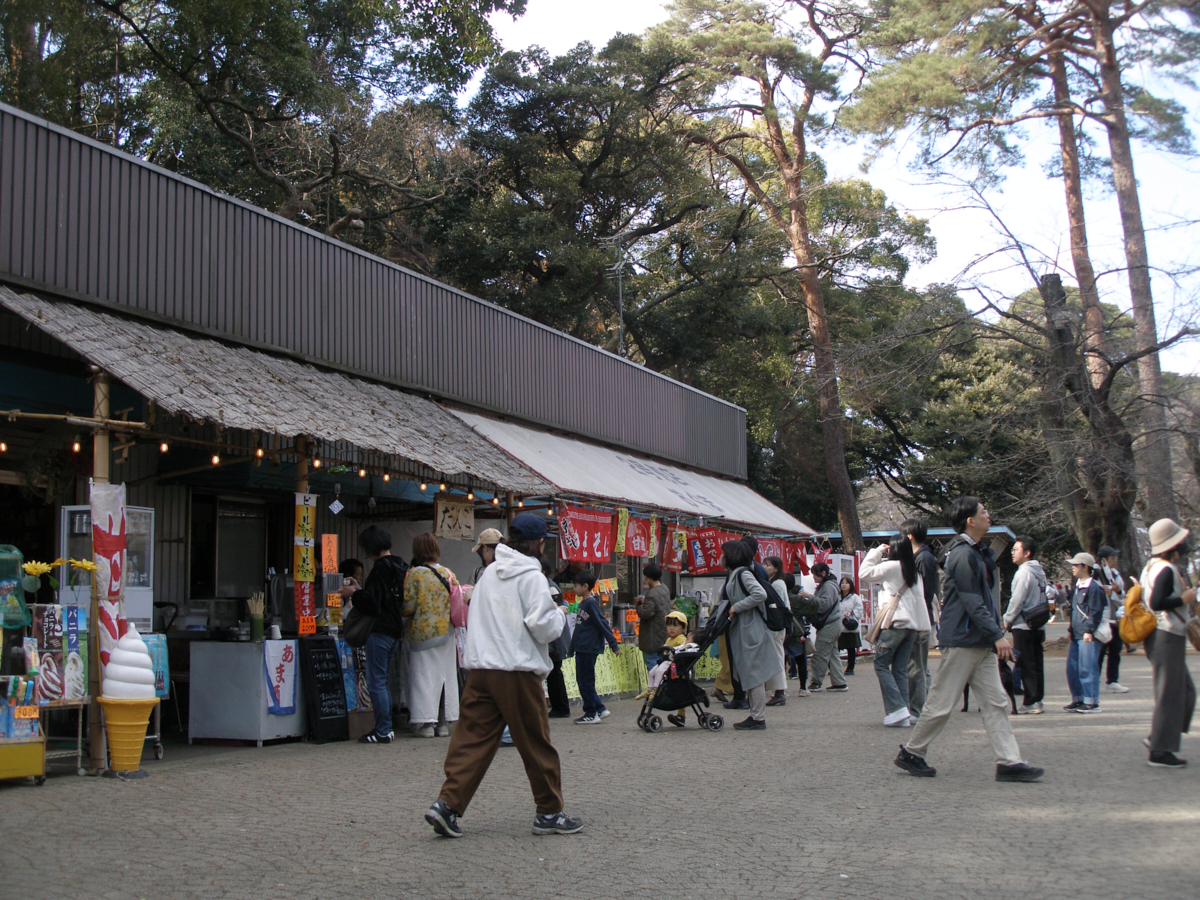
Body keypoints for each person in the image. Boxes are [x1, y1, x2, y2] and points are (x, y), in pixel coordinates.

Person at [424, 513, 582, 838]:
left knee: (471, 740)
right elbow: (542, 626)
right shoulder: (532, 578)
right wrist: (558, 615)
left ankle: (447, 805)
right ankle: (549, 812)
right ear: (539, 543)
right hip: (516, 671)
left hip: (481, 669)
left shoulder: (489, 574)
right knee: (535, 742)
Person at [894, 497, 1043, 782]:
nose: (988, 515)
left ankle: (1009, 762)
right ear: (970, 521)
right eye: (983, 511)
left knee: (997, 701)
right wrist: (998, 635)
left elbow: (978, 601)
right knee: (942, 700)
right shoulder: (963, 554)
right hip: (964, 639)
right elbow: (973, 601)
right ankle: (912, 752)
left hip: (976, 640)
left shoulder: (971, 552)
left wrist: (993, 635)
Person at [339, 526, 408, 744]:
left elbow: (373, 603)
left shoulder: (381, 568)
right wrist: (361, 589)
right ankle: (386, 728)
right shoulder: (399, 566)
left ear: (371, 548)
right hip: (395, 629)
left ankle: (383, 730)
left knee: (376, 681)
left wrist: (354, 593)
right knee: (382, 681)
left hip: (380, 630)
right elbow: (387, 599)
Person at [1140, 518, 1197, 768]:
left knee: (1184, 692)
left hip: (1160, 635)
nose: (1185, 544)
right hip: (1167, 635)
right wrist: (1184, 598)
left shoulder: (1151, 566)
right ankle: (1160, 749)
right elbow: (1157, 602)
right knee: (1170, 694)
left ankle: (1160, 735)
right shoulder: (1166, 568)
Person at [860, 536, 931, 727]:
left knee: (881, 665)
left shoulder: (891, 566)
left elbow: (864, 573)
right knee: (900, 669)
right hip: (913, 627)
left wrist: (876, 551)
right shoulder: (915, 572)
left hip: (895, 624)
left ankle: (896, 709)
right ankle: (904, 712)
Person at [402, 533, 460, 738]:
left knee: (424, 677)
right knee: (445, 677)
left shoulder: (414, 574)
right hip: (447, 632)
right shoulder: (447, 573)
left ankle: (426, 723)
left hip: (423, 633)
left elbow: (408, 606)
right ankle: (443, 724)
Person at [722, 539, 783, 730]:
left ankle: (758, 717)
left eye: (724, 553)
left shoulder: (741, 573)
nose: (721, 557)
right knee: (750, 674)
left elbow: (760, 594)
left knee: (753, 674)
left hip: (751, 630)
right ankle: (756, 715)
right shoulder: (738, 573)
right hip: (746, 629)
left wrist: (736, 607)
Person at [568, 570, 621, 724]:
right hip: (582, 648)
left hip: (588, 648)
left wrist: (613, 644)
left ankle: (591, 713)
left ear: (585, 587)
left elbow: (602, 624)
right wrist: (572, 648)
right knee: (585, 680)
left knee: (585, 681)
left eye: (576, 586)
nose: (574, 589)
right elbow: (578, 629)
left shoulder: (590, 604)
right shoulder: (583, 604)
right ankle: (600, 708)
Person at [1003, 535, 1047, 714]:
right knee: (1037, 663)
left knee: (1024, 664)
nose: (1012, 553)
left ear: (1027, 553)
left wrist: (1007, 619)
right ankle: (1038, 699)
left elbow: (1017, 600)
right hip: (1038, 623)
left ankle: (1030, 701)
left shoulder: (1023, 573)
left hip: (1023, 625)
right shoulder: (1039, 571)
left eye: (1016, 549)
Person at [901, 517, 939, 720]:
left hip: (920, 618)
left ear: (909, 536)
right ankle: (926, 706)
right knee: (920, 666)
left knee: (917, 666)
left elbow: (925, 592)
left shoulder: (923, 558)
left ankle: (919, 709)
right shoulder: (922, 556)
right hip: (919, 617)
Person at [1063, 552, 1107, 714]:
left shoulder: (1094, 587)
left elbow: (1096, 611)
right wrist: (1070, 630)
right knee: (1072, 668)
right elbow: (1074, 610)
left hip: (1087, 635)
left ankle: (1092, 701)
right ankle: (1079, 699)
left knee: (1087, 668)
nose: (1073, 568)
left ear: (1085, 567)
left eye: (1076, 565)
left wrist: (1089, 630)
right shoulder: (1077, 587)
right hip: (1076, 634)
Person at [806, 562, 849, 693]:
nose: (813, 577)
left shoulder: (828, 586)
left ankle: (816, 682)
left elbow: (824, 605)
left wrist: (809, 597)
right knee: (832, 654)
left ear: (823, 574)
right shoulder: (830, 585)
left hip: (829, 625)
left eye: (815, 575)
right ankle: (839, 682)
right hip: (833, 623)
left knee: (820, 653)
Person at [645, 610, 692, 727]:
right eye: (669, 625)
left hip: (678, 669)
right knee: (652, 672)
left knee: (680, 693)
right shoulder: (669, 639)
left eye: (675, 626)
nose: (671, 628)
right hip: (669, 665)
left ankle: (655, 691)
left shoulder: (681, 638)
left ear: (683, 628)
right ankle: (650, 689)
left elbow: (684, 648)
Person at [1094, 546, 1129, 693]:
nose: (1115, 561)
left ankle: (1112, 681)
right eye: (1112, 558)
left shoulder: (1115, 574)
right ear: (1104, 560)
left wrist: (1117, 591)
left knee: (1116, 649)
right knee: (1100, 652)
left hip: (1115, 618)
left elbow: (1122, 596)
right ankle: (1094, 680)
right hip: (1102, 618)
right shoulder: (1094, 573)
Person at [543, 560, 572, 719]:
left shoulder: (550, 587)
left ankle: (561, 707)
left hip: (556, 639)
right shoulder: (546, 585)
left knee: (554, 673)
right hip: (553, 637)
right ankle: (559, 706)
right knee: (552, 673)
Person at [763, 556, 790, 706]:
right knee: (777, 656)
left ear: (776, 568)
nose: (765, 567)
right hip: (777, 625)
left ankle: (780, 691)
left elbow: (777, 606)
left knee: (777, 657)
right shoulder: (773, 582)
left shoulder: (778, 584)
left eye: (768, 565)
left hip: (776, 625)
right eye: (764, 564)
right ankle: (777, 691)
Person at [636, 562, 672, 673]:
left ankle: (655, 688)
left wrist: (638, 605)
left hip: (651, 637)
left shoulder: (652, 594)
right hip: (663, 635)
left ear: (649, 578)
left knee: (652, 668)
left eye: (645, 577)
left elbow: (645, 613)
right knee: (662, 666)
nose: (645, 579)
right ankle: (661, 688)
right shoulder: (665, 589)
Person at [782, 572, 811, 695]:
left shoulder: (777, 596)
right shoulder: (797, 599)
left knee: (780, 661)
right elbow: (814, 607)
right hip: (796, 632)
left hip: (782, 631)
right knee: (801, 660)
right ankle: (803, 687)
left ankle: (779, 690)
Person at [837, 575, 865, 676]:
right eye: (842, 583)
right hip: (839, 627)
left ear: (850, 585)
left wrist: (852, 613)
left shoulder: (855, 597)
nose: (844, 585)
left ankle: (850, 668)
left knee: (851, 648)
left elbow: (860, 610)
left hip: (849, 626)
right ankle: (835, 668)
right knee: (836, 648)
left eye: (846, 583)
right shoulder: (838, 597)